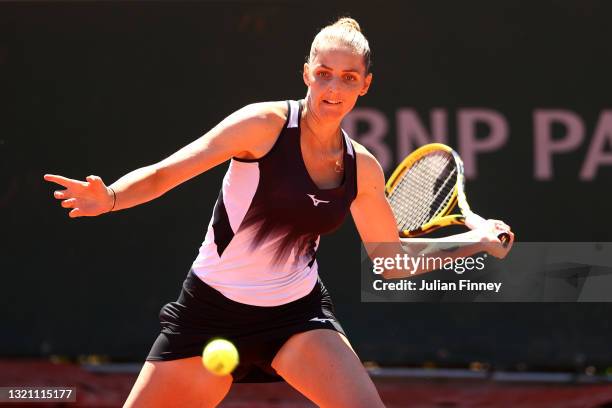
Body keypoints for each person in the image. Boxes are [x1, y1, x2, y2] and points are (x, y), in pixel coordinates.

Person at [44, 17, 513, 408]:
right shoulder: (261, 126)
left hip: (296, 317)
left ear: (364, 85)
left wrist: (476, 241)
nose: (334, 86)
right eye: (325, 72)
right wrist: (110, 197)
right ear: (307, 72)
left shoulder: (362, 169)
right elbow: (168, 173)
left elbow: (391, 262)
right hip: (210, 312)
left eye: (349, 77)